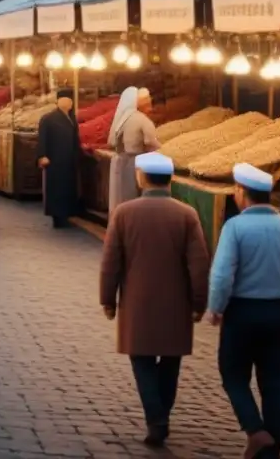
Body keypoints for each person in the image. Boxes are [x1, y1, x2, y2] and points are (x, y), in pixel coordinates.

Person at [206, 163, 280, 459]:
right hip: (278, 314)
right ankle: (273, 449)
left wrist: (216, 307)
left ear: (242, 192)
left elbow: (221, 276)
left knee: (233, 375)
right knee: (275, 381)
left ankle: (255, 431)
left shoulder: (235, 227)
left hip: (242, 313)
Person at [99, 152, 209, 447]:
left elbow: (111, 262)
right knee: (171, 360)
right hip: (177, 304)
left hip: (138, 303)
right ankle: (161, 413)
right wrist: (199, 303)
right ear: (171, 179)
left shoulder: (124, 213)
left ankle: (156, 418)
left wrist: (107, 298)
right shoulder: (187, 215)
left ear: (141, 177)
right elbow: (199, 264)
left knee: (142, 359)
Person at [108, 87, 159, 213]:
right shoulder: (142, 120)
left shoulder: (123, 119)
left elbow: (112, 142)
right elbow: (150, 142)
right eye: (148, 102)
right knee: (134, 196)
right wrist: (164, 151)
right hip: (137, 160)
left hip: (122, 160)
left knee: (123, 195)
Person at [37, 88, 81, 228]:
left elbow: (75, 139)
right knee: (56, 188)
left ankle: (66, 214)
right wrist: (42, 156)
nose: (68, 103)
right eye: (65, 100)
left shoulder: (72, 118)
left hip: (68, 159)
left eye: (70, 100)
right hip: (54, 159)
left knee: (67, 188)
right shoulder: (48, 119)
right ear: (58, 101)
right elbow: (42, 139)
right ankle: (57, 217)